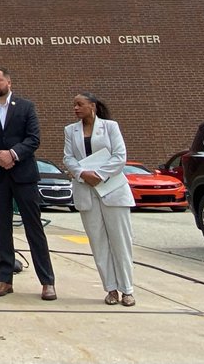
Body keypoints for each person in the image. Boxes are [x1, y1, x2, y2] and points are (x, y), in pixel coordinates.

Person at [0, 67, 57, 300]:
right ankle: (5, 279)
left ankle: (47, 281)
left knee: (34, 227)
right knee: (3, 228)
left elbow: (33, 138)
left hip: (24, 175)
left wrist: (13, 154)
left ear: (9, 82)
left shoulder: (26, 107)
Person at [62, 92, 136, 307]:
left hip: (112, 190)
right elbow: (68, 157)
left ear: (92, 106)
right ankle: (111, 289)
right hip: (86, 191)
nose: (76, 108)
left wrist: (100, 175)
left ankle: (127, 289)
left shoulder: (110, 127)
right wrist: (82, 174)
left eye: (80, 104)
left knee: (120, 241)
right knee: (98, 243)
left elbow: (119, 156)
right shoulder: (70, 130)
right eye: (74, 105)